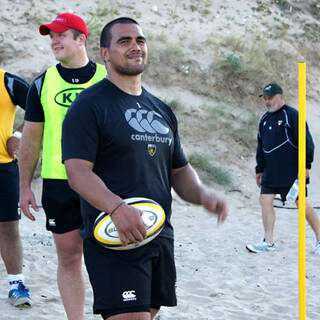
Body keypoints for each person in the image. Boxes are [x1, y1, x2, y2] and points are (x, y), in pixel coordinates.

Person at [61, 17, 228, 320]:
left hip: (158, 235)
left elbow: (179, 171)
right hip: (115, 235)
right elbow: (77, 172)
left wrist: (203, 196)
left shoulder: (160, 109)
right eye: (124, 41)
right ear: (105, 53)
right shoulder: (89, 105)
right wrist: (115, 207)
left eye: (140, 40)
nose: (135, 46)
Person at [18, 13, 107, 320]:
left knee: (110, 256)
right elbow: (31, 139)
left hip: (103, 183)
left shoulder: (108, 79)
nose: (54, 41)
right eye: (51, 36)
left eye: (61, 35)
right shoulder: (42, 83)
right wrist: (25, 186)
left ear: (81, 39)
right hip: (58, 183)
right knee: (69, 258)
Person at [246, 82, 320, 254]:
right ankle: (268, 242)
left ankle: (319, 240)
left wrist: (306, 166)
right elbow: (261, 147)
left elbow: (307, 142)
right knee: (264, 200)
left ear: (281, 97)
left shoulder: (292, 115)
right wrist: (259, 169)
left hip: (292, 170)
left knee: (302, 203)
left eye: (270, 97)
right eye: (265, 98)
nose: (267, 101)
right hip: (271, 171)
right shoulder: (264, 119)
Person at [0, 69, 32, 307]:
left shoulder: (8, 81)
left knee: (9, 227)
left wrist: (19, 136)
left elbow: (38, 108)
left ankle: (16, 285)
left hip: (3, 166)